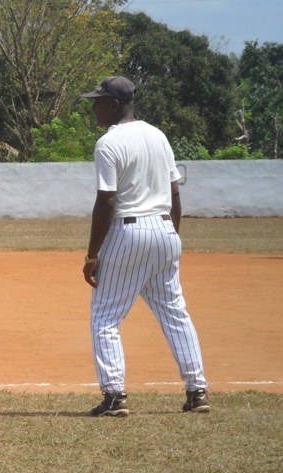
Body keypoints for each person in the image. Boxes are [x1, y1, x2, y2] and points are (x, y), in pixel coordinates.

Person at [80, 76, 209, 416]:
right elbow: (175, 194)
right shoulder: (158, 136)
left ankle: (114, 396)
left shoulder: (108, 143)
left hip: (129, 230)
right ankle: (197, 391)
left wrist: (92, 255)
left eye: (98, 100)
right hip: (165, 229)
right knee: (175, 313)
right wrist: (173, 237)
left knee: (105, 317)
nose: (94, 106)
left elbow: (107, 201)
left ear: (114, 105)